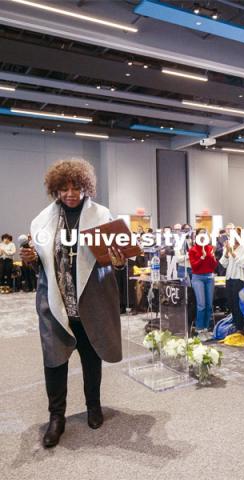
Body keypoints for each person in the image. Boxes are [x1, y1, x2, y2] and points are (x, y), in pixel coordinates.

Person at [20, 159, 125, 448]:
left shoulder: (102, 215)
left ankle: (94, 406)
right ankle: (57, 418)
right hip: (56, 304)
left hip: (91, 303)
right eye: (64, 188)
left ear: (85, 187)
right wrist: (31, 261)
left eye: (76, 187)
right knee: (54, 362)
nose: (70, 193)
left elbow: (113, 260)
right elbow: (42, 264)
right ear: (55, 189)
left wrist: (118, 259)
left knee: (91, 359)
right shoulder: (41, 220)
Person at [220, 227, 244, 334]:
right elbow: (223, 264)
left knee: (239, 304)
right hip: (229, 278)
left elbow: (243, 264)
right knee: (231, 303)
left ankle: (240, 328)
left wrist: (232, 253)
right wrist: (226, 252)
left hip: (240, 279)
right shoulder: (228, 247)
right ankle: (235, 325)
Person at [188, 229, 218, 340]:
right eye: (201, 234)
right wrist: (202, 257)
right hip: (198, 278)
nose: (203, 236)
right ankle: (199, 329)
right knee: (201, 305)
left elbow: (214, 265)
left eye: (205, 234)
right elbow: (194, 267)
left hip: (209, 277)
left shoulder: (210, 248)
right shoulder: (193, 250)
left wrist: (211, 256)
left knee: (209, 305)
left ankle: (206, 328)